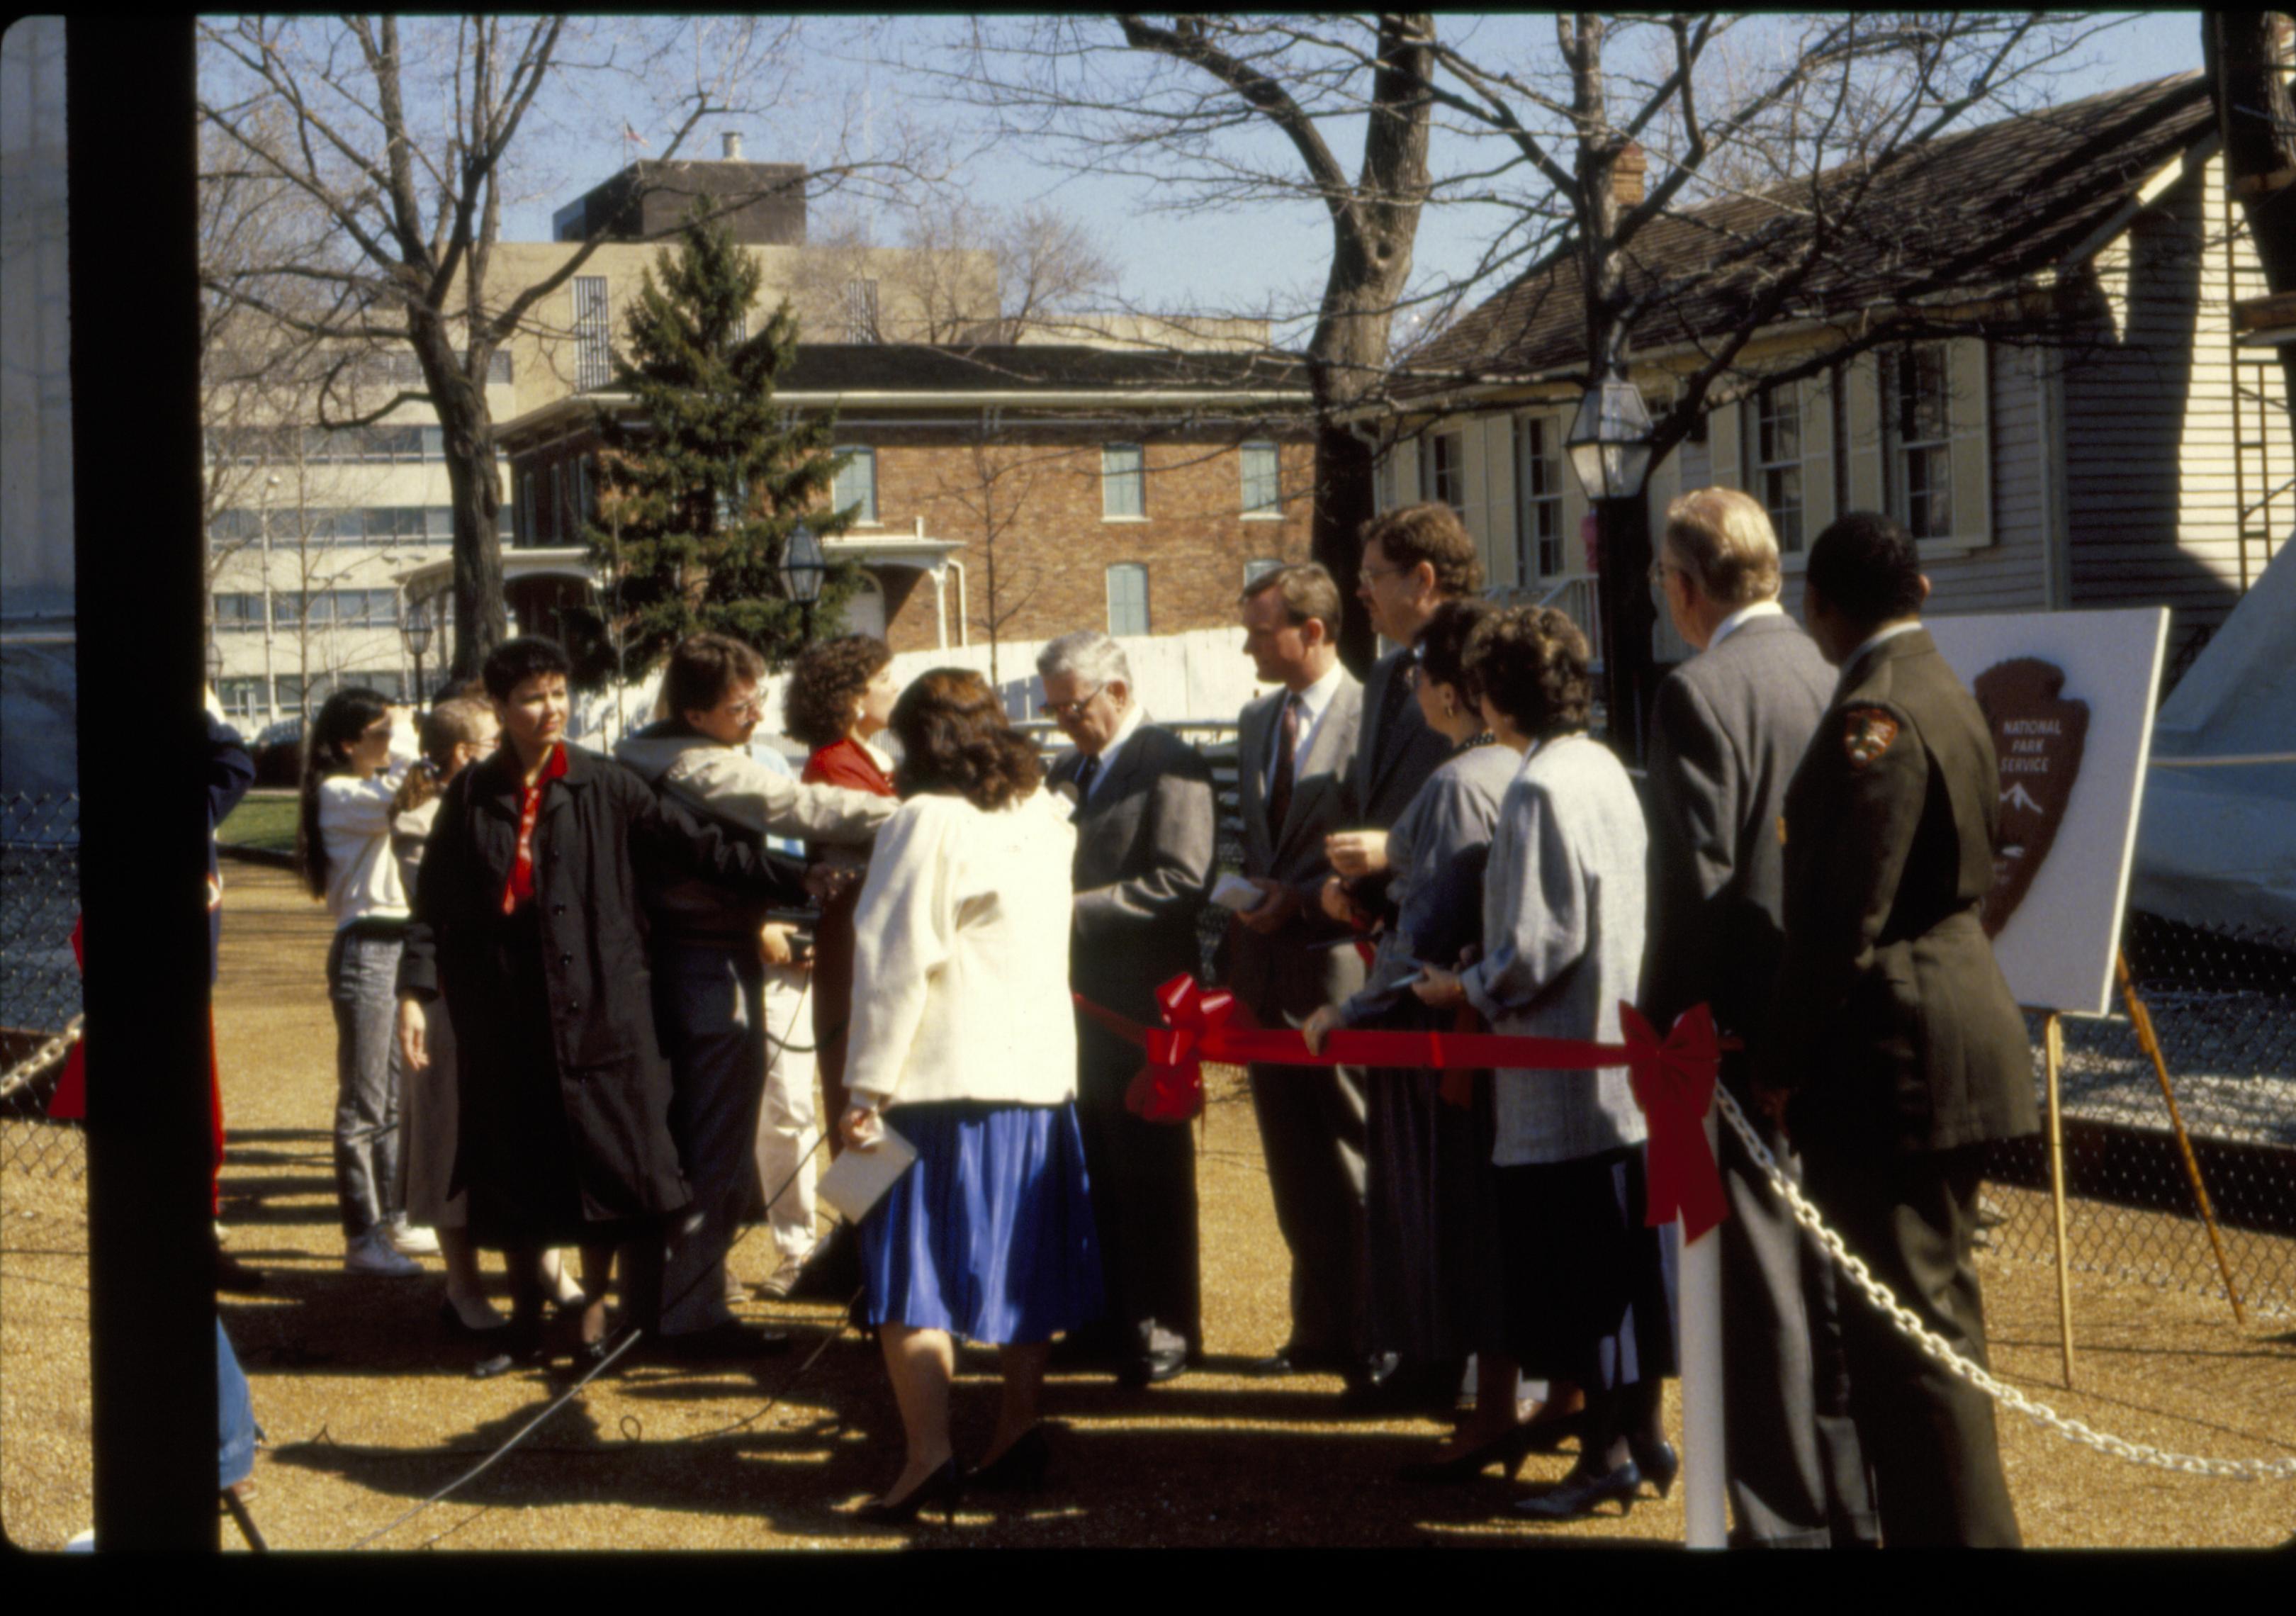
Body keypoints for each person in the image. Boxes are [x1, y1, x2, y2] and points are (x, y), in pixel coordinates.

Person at [395, 636, 809, 1376]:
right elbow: (435, 906)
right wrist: (416, 992)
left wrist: (799, 881)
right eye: (531, 697)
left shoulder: (605, 782)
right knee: (518, 1171)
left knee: (605, 1168)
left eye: (558, 692)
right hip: (506, 1016)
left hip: (602, 1014)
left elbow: (700, 848)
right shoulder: (470, 794)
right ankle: (525, 1328)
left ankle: (592, 1326)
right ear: (499, 707)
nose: (550, 709)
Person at [1758, 511, 2037, 1547]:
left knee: (1912, 1345)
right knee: (1929, 1328)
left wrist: (1779, 1058)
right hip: (1946, 1027)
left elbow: (1842, 917)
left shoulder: (1873, 713)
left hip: (1897, 1053)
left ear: (1821, 606)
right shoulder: (1945, 687)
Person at [1642, 486, 1880, 1549]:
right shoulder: (1837, 675)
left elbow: (1695, 888)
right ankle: (1847, 1496)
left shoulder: (1702, 692)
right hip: (1841, 1019)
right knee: (1835, 1280)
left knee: (1765, 1291)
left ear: (1685, 588)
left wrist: (1661, 1029)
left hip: (1741, 1032)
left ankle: (1782, 1520)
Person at [1413, 606, 1675, 1522]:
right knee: (1624, 1277)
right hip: (1615, 1068)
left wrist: (1461, 988)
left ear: (1494, 695)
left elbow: (1535, 947)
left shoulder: (1536, 790)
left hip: (1555, 1077)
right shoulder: (1600, 768)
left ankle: (1604, 1457)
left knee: (1574, 1284)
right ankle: (1639, 1436)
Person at [1300, 597, 1560, 1474]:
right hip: (1503, 1031)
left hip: (1443, 1043)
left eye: (1417, 674)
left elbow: (1430, 924)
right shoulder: (1525, 770)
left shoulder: (1457, 782)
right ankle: (1560, 1396)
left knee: (1464, 1228)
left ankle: (1490, 1413)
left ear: (1450, 690)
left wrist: (1349, 1010)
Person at [838, 669, 1103, 1523]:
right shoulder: (1044, 818)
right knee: (1026, 1267)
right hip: (1035, 1080)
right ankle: (1017, 1428)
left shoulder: (925, 821)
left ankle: (928, 1456)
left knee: (912, 1278)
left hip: (941, 1084)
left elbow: (893, 963)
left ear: (922, 743)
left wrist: (863, 1087)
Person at [615, 632, 892, 1357]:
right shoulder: (694, 764)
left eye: (760, 695)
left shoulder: (646, 750)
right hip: (705, 964)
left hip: (682, 958)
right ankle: (693, 1315)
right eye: (742, 705)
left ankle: (661, 1305)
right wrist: (918, 815)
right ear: (697, 712)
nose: (756, 714)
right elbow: (798, 808)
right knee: (716, 1140)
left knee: (688, 1139)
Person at [1319, 502, 1488, 1412]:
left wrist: (1396, 854)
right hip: (1392, 942)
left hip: (1459, 970)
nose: (1362, 590)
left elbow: (1494, 808)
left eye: (1376, 574)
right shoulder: (1387, 678)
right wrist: (1358, 885)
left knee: (1452, 1175)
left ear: (1425, 579)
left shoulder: (1488, 656)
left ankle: (1461, 1367)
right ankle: (1413, 1346)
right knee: (1402, 1170)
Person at [1038, 629, 1215, 1388]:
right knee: (1090, 1167)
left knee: (1150, 1172)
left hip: (1141, 1007)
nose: (1064, 724)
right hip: (1076, 1005)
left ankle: (1165, 1326)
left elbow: (1181, 878)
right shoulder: (1069, 767)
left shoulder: (1169, 762)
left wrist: (1067, 911)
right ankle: (1104, 1315)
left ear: (1116, 691)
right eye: (1054, 711)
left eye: (1073, 707)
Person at [1225, 563, 1384, 1395]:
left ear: (1313, 631)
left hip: (1337, 971)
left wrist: (1311, 908)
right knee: (1290, 1165)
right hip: (1265, 974)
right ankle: (1317, 1325)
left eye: (1260, 629)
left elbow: (1387, 850)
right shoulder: (1257, 720)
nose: (1247, 643)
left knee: (1354, 1157)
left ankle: (1375, 1335)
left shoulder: (1374, 717)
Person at [391, 697, 514, 1337]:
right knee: (446, 1142)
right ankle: (463, 1286)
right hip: (448, 1001)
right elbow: (445, 916)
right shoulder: (423, 824)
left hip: (505, 1000)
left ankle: (542, 1272)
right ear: (465, 754)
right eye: (494, 742)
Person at [298, 685, 426, 1278]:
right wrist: (407, 737)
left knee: (397, 1096)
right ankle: (362, 1234)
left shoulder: (364, 785)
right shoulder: (338, 790)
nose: (388, 740)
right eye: (378, 733)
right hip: (367, 946)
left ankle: (396, 1215)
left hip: (398, 941)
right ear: (349, 744)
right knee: (364, 1102)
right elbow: (400, 800)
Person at [787, 634, 901, 1150]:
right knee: (861, 1085)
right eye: (884, 680)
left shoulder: (870, 758)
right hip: (856, 945)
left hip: (879, 937)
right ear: (854, 697)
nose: (895, 689)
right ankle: (868, 1223)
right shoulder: (835, 764)